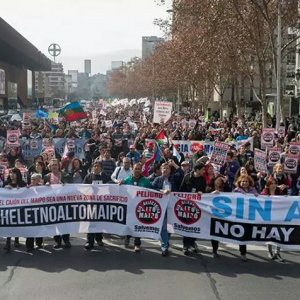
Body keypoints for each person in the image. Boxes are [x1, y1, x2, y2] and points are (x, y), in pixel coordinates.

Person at [152, 161, 184, 256]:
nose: (165, 170)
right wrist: (161, 191)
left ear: (170, 170)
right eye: (163, 168)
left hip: (173, 206)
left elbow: (182, 173)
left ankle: (166, 241)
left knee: (170, 227)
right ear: (161, 170)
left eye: (167, 168)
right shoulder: (158, 179)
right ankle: (164, 246)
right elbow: (152, 189)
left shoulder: (174, 178)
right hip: (162, 207)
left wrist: (173, 164)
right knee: (163, 227)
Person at [121, 163, 151, 252]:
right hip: (129, 206)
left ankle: (137, 244)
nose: (137, 170)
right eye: (135, 168)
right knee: (129, 223)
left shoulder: (145, 181)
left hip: (140, 206)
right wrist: (120, 183)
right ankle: (127, 236)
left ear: (141, 170)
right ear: (132, 169)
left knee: (138, 225)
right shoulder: (127, 179)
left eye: (139, 169)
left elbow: (150, 192)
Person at [82, 161, 111, 250]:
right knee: (90, 223)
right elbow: (83, 188)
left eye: (98, 166)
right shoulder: (88, 177)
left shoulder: (105, 177)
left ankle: (99, 239)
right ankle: (89, 241)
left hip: (101, 204)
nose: (96, 167)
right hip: (91, 204)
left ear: (101, 168)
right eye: (94, 166)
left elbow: (111, 185)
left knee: (100, 222)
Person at [44, 159, 71, 249]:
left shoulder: (65, 175)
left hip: (63, 203)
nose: (54, 166)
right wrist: (45, 185)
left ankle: (66, 239)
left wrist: (67, 184)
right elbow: (43, 191)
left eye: (56, 165)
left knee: (64, 222)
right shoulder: (47, 177)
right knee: (54, 222)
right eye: (52, 165)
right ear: (50, 167)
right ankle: (57, 241)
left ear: (59, 166)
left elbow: (72, 186)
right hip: (52, 204)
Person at [179, 163, 206, 255]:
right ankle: (185, 245)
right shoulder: (187, 177)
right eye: (202, 169)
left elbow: (204, 191)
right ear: (197, 170)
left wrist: (201, 193)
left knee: (197, 225)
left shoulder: (203, 179)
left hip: (198, 206)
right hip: (187, 205)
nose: (203, 171)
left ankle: (192, 241)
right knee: (188, 225)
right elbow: (181, 190)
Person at [233, 175, 258, 262]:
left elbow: (258, 200)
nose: (244, 183)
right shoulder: (236, 191)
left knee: (247, 234)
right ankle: (243, 253)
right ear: (239, 182)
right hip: (240, 215)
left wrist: (257, 196)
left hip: (250, 216)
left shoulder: (253, 190)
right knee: (242, 234)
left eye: (246, 181)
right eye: (243, 181)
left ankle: (243, 251)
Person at [260, 177, 284, 262]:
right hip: (268, 217)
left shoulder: (280, 193)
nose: (273, 185)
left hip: (278, 217)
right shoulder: (263, 193)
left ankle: (277, 252)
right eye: (272, 183)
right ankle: (270, 252)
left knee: (279, 234)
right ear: (268, 185)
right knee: (269, 234)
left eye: (275, 183)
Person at [3, 168, 27, 251]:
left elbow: (27, 193)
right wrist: (5, 188)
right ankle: (8, 242)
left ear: (17, 174)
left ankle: (16, 239)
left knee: (17, 224)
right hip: (9, 208)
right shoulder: (6, 183)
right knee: (9, 224)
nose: (11, 175)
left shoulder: (22, 183)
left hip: (19, 207)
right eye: (10, 173)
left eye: (13, 173)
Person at [26, 173, 44, 251]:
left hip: (39, 210)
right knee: (30, 229)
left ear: (39, 180)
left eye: (35, 179)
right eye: (32, 179)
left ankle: (38, 243)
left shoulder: (42, 188)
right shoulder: (27, 188)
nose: (32, 180)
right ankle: (29, 246)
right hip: (30, 211)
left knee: (39, 227)